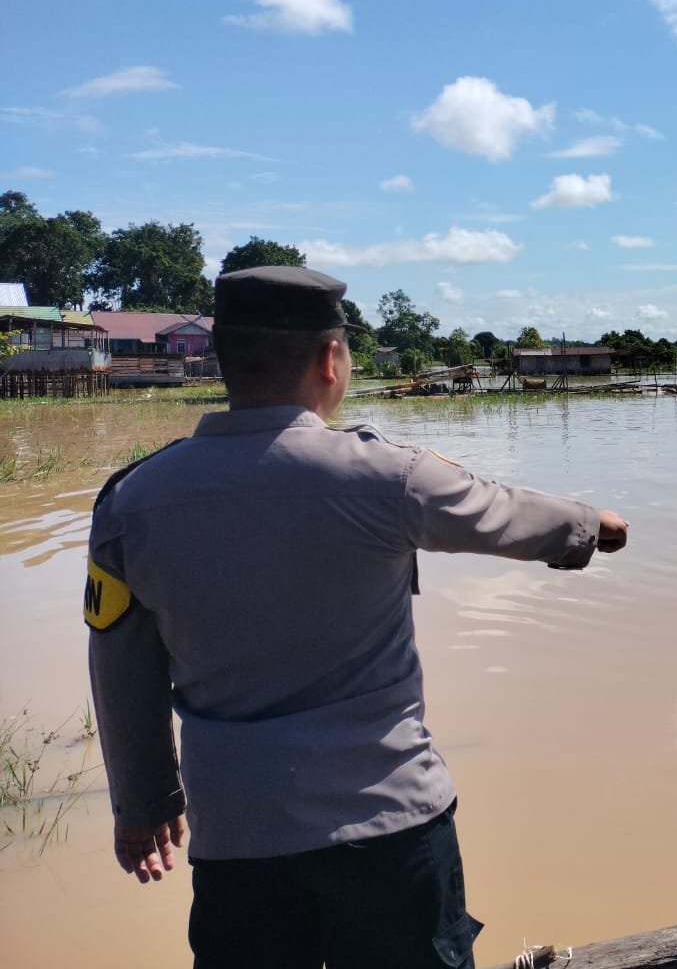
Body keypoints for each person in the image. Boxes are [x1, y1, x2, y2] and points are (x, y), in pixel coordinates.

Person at [85, 265, 628, 968]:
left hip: (239, 838)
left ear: (222, 362)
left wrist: (143, 802)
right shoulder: (386, 476)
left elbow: (121, 667)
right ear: (331, 360)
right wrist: (593, 524)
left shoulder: (132, 500)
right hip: (390, 827)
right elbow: (505, 513)